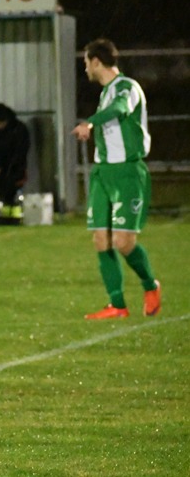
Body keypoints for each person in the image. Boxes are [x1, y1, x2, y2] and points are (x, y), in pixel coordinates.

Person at [71, 38, 161, 320]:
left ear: (96, 61)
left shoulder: (126, 87)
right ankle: (117, 305)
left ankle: (150, 285)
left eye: (86, 62)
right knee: (101, 238)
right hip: (102, 173)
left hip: (127, 173)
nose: (85, 68)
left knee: (123, 242)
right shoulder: (105, 93)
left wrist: (90, 122)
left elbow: (120, 109)